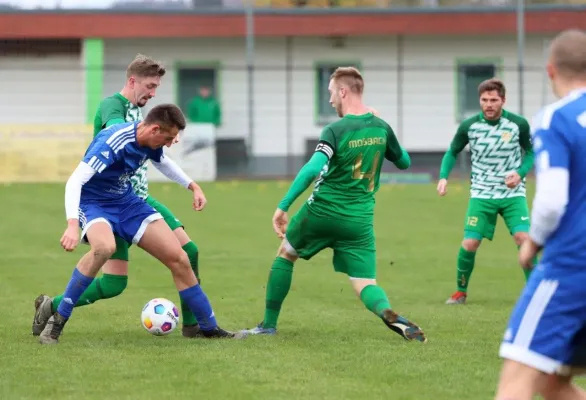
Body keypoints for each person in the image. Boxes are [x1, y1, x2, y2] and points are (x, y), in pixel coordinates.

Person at [239, 67, 426, 343]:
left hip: (322, 212)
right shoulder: (381, 127)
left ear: (343, 91)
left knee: (286, 254)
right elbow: (404, 162)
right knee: (365, 284)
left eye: (330, 93)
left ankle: (268, 325)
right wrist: (382, 129)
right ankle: (386, 311)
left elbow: (312, 169)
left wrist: (283, 205)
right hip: (359, 221)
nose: (329, 101)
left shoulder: (335, 130)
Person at [33, 54, 207, 339]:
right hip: (110, 202)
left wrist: (183, 171)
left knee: (189, 251)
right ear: (132, 81)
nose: (153, 93)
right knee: (114, 283)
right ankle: (53, 306)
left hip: (137, 199)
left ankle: (193, 326)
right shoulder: (113, 107)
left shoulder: (141, 112)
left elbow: (158, 157)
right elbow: (116, 131)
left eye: (156, 89)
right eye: (150, 86)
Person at [38, 104, 235, 345]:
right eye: (169, 137)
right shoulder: (114, 141)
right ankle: (57, 321)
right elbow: (75, 181)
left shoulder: (150, 142)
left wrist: (192, 185)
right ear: (154, 129)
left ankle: (209, 327)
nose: (172, 143)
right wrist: (72, 225)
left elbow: (163, 162)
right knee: (104, 248)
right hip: (94, 204)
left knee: (180, 259)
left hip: (127, 203)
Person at [495, 29, 586, 400]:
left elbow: (551, 201)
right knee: (553, 382)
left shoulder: (554, 119)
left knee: (516, 380)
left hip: (571, 270)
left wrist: (531, 242)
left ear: (551, 71)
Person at [438, 78, 536, 305]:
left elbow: (531, 152)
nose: (489, 104)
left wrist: (520, 174)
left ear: (503, 100)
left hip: (512, 194)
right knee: (470, 243)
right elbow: (452, 151)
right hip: (482, 194)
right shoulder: (469, 126)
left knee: (524, 239)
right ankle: (460, 292)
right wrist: (443, 177)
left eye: (494, 100)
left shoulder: (518, 124)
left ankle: (534, 294)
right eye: (484, 100)